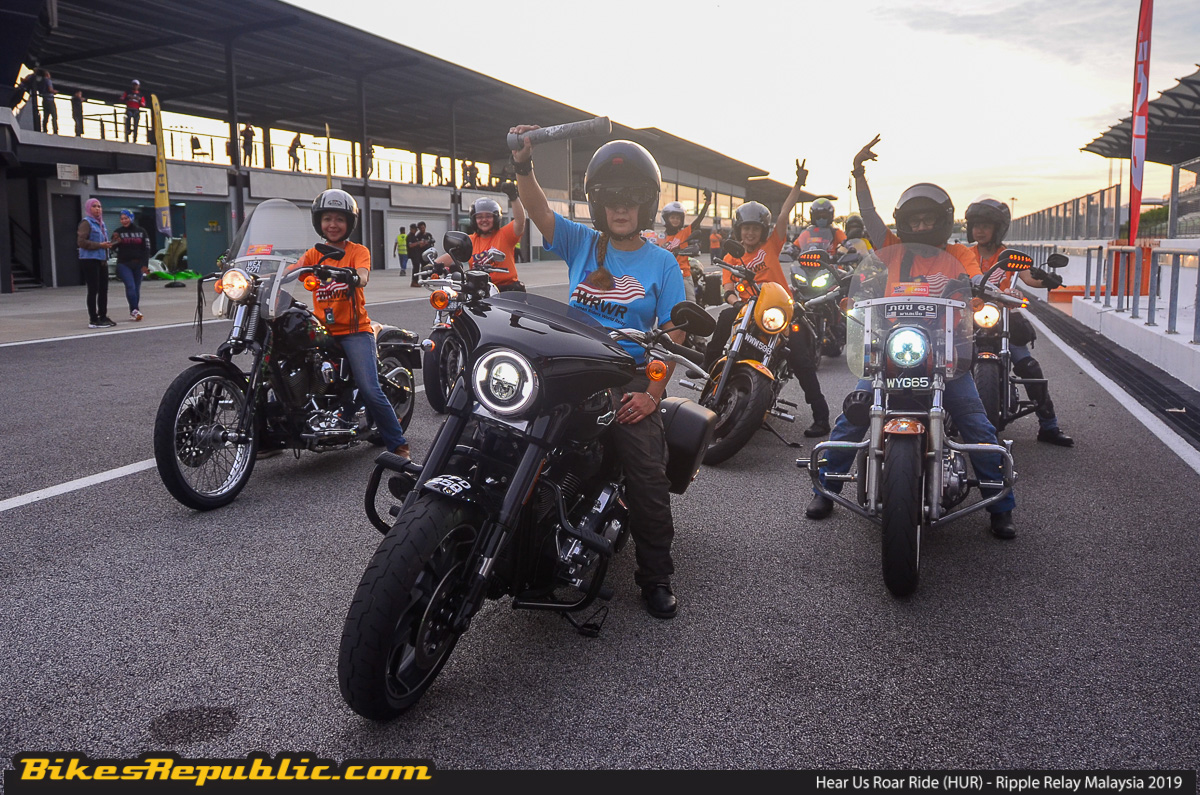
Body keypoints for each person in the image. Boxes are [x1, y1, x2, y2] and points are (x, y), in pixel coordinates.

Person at [510, 125, 687, 620]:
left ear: (645, 205)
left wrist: (653, 394)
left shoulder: (663, 263)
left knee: (647, 472)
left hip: (626, 374)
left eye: (630, 200)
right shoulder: (582, 242)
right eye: (611, 200)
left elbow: (674, 333)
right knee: (505, 420)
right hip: (569, 363)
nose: (620, 209)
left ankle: (656, 575)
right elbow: (539, 210)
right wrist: (523, 165)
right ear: (598, 204)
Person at [806, 135, 1017, 539]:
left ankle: (1001, 505)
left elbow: (974, 275)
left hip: (946, 355)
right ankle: (826, 489)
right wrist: (858, 173)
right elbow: (869, 217)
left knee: (976, 424)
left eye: (928, 220)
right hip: (892, 350)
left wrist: (980, 285)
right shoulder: (893, 247)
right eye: (915, 221)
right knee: (854, 415)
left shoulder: (959, 254)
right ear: (905, 222)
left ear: (942, 221)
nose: (921, 227)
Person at [702, 161, 831, 438]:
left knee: (801, 359)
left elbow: (784, 214)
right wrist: (735, 302)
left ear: (763, 230)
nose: (750, 233)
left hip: (781, 311)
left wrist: (798, 184)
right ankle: (707, 374)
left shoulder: (771, 245)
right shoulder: (731, 257)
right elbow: (728, 289)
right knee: (723, 320)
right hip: (747, 311)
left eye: (755, 228)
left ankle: (821, 417)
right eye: (745, 228)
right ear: (738, 230)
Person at [293, 189, 410, 459]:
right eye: (327, 219)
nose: (332, 224)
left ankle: (398, 445)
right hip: (322, 331)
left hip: (354, 332)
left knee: (369, 388)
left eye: (339, 219)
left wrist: (354, 277)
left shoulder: (358, 251)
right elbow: (291, 271)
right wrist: (253, 277)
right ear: (318, 222)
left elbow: (363, 274)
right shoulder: (313, 254)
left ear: (349, 223)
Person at [966, 195, 1073, 447]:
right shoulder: (965, 254)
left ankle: (1049, 425)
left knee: (1028, 367)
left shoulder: (1010, 256)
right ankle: (937, 420)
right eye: (976, 225)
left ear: (998, 229)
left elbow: (1028, 277)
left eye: (985, 225)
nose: (979, 230)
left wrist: (1047, 279)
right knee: (946, 362)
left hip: (1004, 317)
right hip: (969, 318)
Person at [434, 188, 528, 291]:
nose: (484, 220)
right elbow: (452, 255)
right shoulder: (470, 240)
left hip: (507, 289)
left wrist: (514, 198)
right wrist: (433, 266)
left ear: (496, 218)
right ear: (474, 220)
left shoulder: (504, 235)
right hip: (479, 291)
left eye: (488, 216)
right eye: (479, 217)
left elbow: (520, 221)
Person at [657, 190, 712, 302]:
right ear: (666, 218)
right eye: (673, 217)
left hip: (683, 275)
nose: (675, 220)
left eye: (678, 218)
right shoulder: (660, 237)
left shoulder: (684, 233)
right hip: (666, 275)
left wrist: (707, 203)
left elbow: (698, 220)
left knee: (690, 302)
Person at [77, 198, 115, 328]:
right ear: (89, 208)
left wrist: (108, 245)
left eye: (99, 206)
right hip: (89, 259)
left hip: (102, 259)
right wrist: (99, 245)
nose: (98, 209)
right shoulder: (86, 223)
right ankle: (93, 319)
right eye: (94, 206)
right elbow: (81, 242)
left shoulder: (101, 223)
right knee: (93, 289)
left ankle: (103, 315)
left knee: (103, 289)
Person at [110, 210, 151, 321]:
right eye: (122, 219)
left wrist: (145, 265)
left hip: (139, 264)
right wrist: (114, 241)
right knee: (130, 286)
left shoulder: (141, 231)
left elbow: (146, 249)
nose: (124, 221)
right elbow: (111, 247)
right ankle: (135, 310)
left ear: (131, 218)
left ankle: (134, 310)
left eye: (126, 218)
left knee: (136, 288)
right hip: (124, 264)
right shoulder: (118, 232)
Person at [35, 69, 58, 134]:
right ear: (47, 75)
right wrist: (55, 92)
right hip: (50, 100)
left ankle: (45, 129)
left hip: (44, 99)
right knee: (54, 115)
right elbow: (50, 89)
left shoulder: (41, 81)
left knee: (46, 116)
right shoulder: (48, 81)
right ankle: (55, 130)